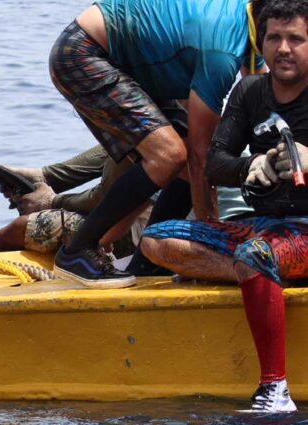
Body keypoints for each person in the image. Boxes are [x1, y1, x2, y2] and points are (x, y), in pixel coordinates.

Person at [139, 0, 308, 413]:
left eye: (296, 39)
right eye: (274, 38)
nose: (283, 48)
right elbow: (214, 163)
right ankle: (260, 277)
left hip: (303, 230)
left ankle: (275, 391)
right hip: (261, 225)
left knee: (256, 254)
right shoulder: (250, 91)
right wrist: (253, 165)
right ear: (261, 42)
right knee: (155, 240)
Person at [48, 0, 263, 288]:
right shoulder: (222, 52)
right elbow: (201, 156)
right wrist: (210, 242)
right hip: (82, 53)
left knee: (184, 160)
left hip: (127, 60)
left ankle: (147, 265)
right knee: (170, 155)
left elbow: (264, 105)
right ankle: (77, 251)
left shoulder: (252, 24)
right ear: (267, 25)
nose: (285, 49)